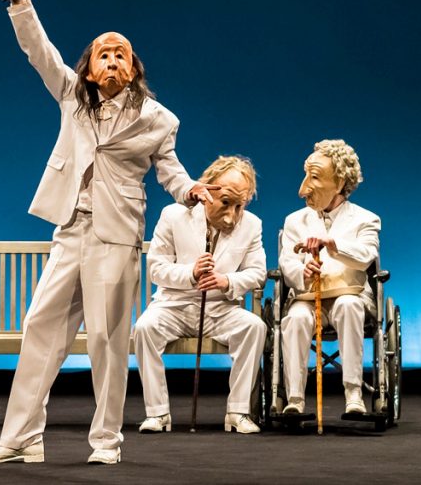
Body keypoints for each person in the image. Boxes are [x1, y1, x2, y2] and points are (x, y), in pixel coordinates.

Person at [0, 0, 215, 465]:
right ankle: (22, 438)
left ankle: (106, 441)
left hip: (115, 235)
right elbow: (40, 51)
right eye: (103, 53)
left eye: (120, 54)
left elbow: (170, 169)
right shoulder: (72, 97)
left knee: (107, 339)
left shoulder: (157, 119)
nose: (112, 60)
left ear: (133, 69)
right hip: (71, 228)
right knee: (40, 325)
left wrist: (190, 190)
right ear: (88, 68)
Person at [134, 155, 267, 435]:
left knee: (254, 327)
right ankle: (157, 413)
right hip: (174, 306)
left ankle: (238, 411)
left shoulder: (252, 225)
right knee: (145, 328)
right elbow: (156, 268)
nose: (232, 216)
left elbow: (257, 273)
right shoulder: (173, 216)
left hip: (221, 310)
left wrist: (226, 281)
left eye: (240, 206)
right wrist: (191, 273)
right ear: (208, 191)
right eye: (226, 203)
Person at [278, 139, 380, 416]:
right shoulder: (294, 221)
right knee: (296, 319)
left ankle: (353, 393)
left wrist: (333, 245)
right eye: (306, 175)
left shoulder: (366, 219)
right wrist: (302, 272)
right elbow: (287, 260)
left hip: (349, 294)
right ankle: (295, 399)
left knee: (349, 305)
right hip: (307, 297)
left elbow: (366, 255)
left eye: (314, 177)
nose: (303, 189)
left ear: (340, 182)